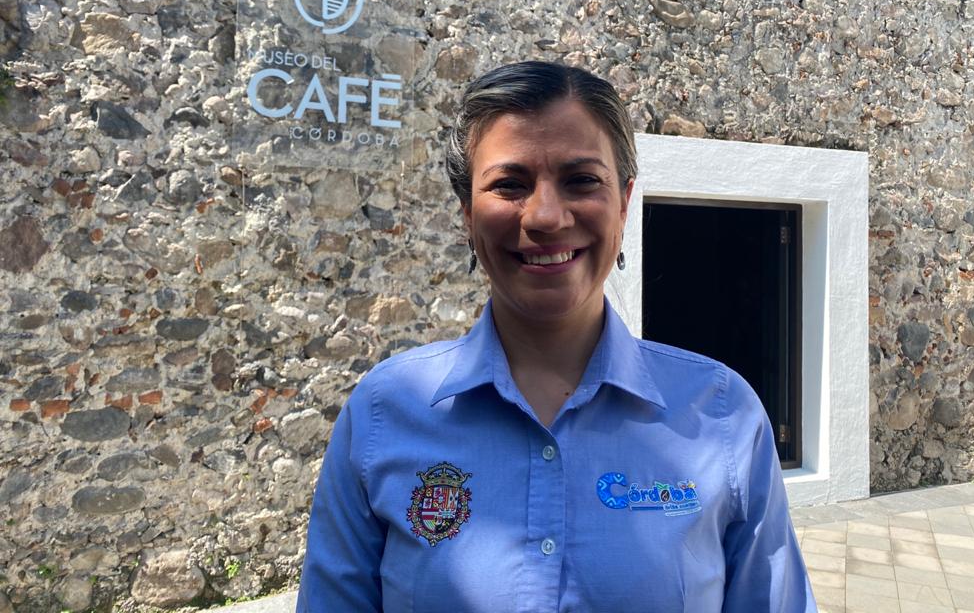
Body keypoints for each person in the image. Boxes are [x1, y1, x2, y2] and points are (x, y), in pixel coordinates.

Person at [295, 61, 816, 612]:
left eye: (581, 180)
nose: (545, 216)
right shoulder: (384, 413)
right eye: (509, 184)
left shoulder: (723, 413)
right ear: (467, 214)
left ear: (624, 203)